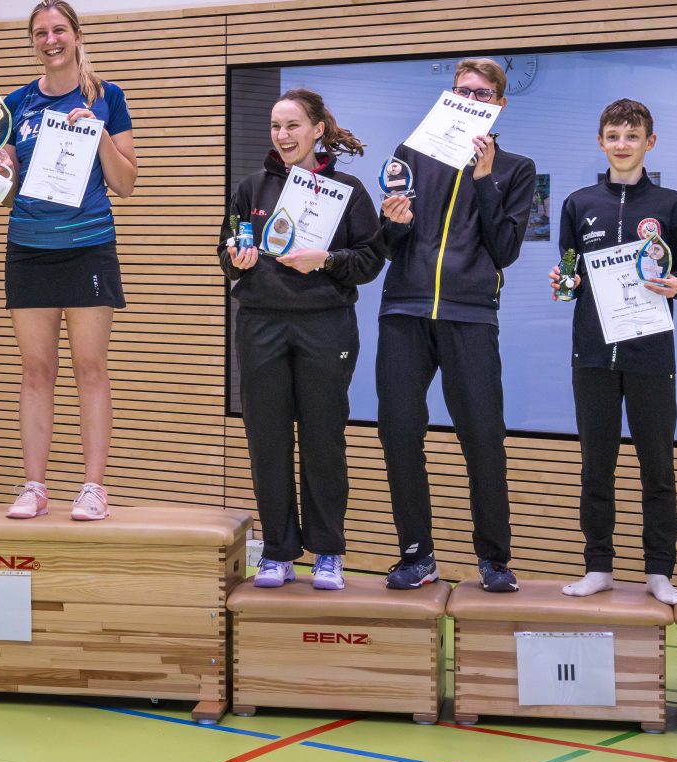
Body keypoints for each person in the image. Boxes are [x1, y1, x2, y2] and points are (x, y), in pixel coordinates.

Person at [375, 58, 536, 593]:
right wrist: (392, 223)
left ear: (499, 105)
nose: (470, 100)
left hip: (470, 315)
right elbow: (386, 244)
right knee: (399, 433)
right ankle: (416, 555)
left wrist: (485, 180)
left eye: (482, 94)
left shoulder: (516, 168)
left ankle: (494, 559)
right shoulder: (411, 152)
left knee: (483, 438)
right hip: (405, 310)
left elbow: (506, 249)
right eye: (462, 91)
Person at [219, 89, 385, 590]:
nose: (282, 135)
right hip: (260, 325)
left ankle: (328, 552)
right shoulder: (251, 188)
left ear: (317, 129)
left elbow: (370, 259)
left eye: (292, 125)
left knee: (323, 440)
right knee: (266, 441)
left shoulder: (347, 190)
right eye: (276, 126)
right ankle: (277, 552)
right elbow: (227, 250)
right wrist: (236, 258)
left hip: (325, 326)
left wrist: (326, 260)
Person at [550, 99, 677, 605]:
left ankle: (659, 572)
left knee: (658, 468)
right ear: (601, 141)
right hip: (592, 355)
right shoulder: (578, 204)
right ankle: (598, 567)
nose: (622, 144)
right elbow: (569, 272)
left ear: (649, 143)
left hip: (651, 355)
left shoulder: (671, 205)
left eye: (632, 136)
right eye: (613, 136)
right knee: (597, 467)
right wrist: (564, 283)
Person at [0, 0, 137, 521]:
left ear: (77, 36)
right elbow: (4, 194)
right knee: (36, 370)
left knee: (90, 367)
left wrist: (97, 135)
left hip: (88, 248)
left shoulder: (107, 97)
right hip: (28, 249)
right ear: (32, 42)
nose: (50, 40)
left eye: (58, 30)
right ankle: (34, 486)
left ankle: (94, 488)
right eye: (40, 33)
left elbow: (126, 183)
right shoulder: (15, 104)